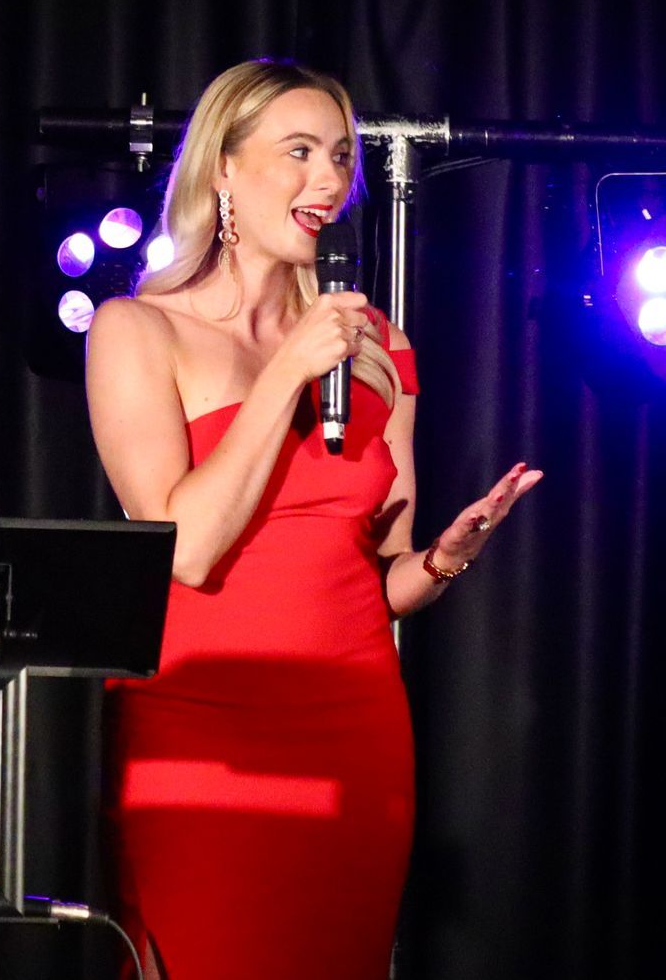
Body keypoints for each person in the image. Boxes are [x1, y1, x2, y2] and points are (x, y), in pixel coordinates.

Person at [85, 60, 541, 979]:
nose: (328, 179)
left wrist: (445, 558)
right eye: (298, 151)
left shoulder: (379, 348)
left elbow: (385, 578)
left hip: (352, 727)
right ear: (223, 167)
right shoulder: (136, 330)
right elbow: (183, 547)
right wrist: (287, 372)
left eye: (339, 156)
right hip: (199, 724)